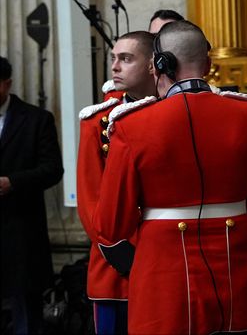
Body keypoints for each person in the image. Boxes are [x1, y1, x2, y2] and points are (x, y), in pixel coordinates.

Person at [92, 21, 247, 334]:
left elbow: (111, 224)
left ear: (159, 65)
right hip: (239, 263)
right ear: (208, 64)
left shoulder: (131, 125)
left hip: (164, 273)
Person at [76, 31, 157, 335]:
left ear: (153, 65)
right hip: (116, 262)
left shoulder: (174, 112)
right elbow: (90, 198)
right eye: (113, 58)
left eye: (125, 59)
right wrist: (119, 252)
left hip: (165, 251)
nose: (115, 67)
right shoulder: (98, 122)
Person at [0, 56, 64, 334]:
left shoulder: (37, 119)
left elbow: (52, 169)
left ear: (7, 84)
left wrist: (11, 182)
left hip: (21, 230)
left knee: (26, 314)